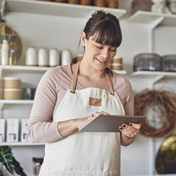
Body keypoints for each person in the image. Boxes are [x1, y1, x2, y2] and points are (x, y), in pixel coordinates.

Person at [27, 10, 141, 176]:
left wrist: (129, 135)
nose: (105, 55)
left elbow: (124, 141)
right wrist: (78, 123)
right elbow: (34, 132)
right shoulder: (56, 77)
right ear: (83, 39)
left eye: (113, 49)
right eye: (99, 46)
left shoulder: (122, 85)